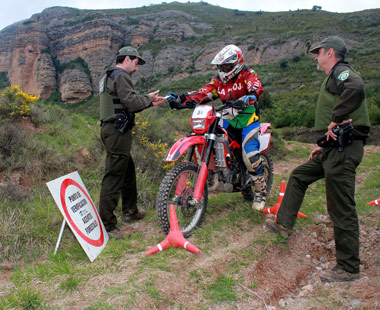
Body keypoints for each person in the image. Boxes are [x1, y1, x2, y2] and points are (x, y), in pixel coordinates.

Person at [265, 36, 370, 282]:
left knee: (340, 207)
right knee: (299, 176)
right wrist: (323, 145)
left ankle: (348, 268)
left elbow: (356, 88)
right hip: (333, 149)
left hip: (344, 150)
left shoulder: (342, 72)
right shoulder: (332, 77)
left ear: (330, 53)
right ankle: (283, 224)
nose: (315, 56)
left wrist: (336, 117)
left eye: (319, 51)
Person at [167, 44, 266, 210]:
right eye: (221, 66)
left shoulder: (247, 74)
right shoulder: (218, 81)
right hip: (227, 119)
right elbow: (203, 93)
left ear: (237, 63)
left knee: (249, 154)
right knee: (211, 135)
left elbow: (256, 86)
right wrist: (181, 98)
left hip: (247, 120)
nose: (223, 69)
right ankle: (221, 171)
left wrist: (250, 96)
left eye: (226, 65)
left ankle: (260, 191)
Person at [98, 46, 165, 239]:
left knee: (127, 171)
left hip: (112, 129)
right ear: (127, 59)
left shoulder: (108, 75)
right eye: (136, 63)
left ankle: (130, 211)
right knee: (114, 175)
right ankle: (107, 225)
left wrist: (148, 101)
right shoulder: (121, 75)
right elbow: (132, 103)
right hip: (117, 131)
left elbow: (124, 102)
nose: (136, 69)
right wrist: (148, 99)